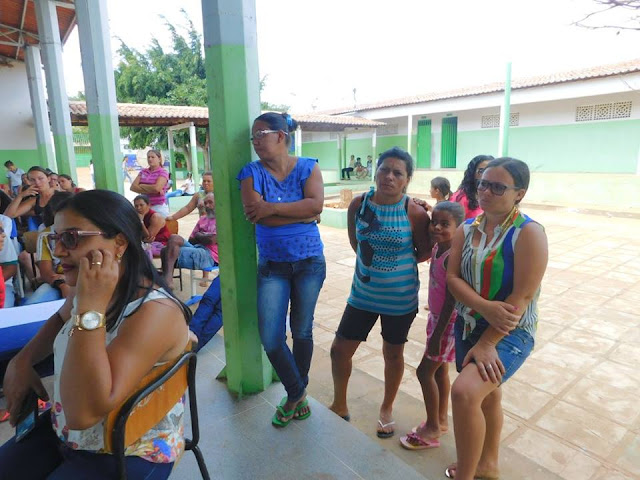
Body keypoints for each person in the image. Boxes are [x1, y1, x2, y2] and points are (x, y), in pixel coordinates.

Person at [0, 190, 192, 478]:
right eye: (54, 239)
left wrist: (91, 309)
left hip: (128, 446)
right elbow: (60, 317)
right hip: (66, 429)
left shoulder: (156, 312)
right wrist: (22, 361)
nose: (58, 251)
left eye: (71, 238)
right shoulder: (86, 288)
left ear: (119, 243)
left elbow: (84, 413)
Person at [444, 158, 547, 480]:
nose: (486, 192)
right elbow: (452, 278)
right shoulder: (467, 229)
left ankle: (466, 474)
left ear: (519, 193)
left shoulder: (528, 233)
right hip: (469, 324)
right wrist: (484, 307)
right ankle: (488, 464)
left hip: (510, 332)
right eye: (483, 184)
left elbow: (522, 297)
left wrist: (489, 343)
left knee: (464, 393)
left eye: (498, 187)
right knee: (487, 396)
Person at [329, 147, 430, 437]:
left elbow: (424, 251)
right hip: (362, 295)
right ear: (375, 172)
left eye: (398, 173)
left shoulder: (414, 212)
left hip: (400, 299)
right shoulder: (358, 205)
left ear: (407, 179)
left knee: (393, 354)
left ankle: (386, 409)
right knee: (339, 350)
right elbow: (356, 243)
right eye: (384, 169)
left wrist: (394, 267)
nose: (389, 176)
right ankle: (339, 404)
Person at [238, 111, 325, 427]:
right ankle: (298, 392)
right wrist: (300, 213)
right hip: (273, 267)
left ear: (281, 136)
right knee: (272, 338)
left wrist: (272, 207)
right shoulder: (250, 174)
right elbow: (257, 217)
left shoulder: (308, 167)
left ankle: (294, 396)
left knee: (302, 331)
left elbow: (316, 206)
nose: (256, 141)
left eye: (261, 134)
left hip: (309, 262)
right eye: (253, 136)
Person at [400, 201, 465, 450]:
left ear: (459, 228)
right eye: (434, 222)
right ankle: (441, 419)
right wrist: (424, 208)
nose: (436, 227)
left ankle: (432, 428)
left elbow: (451, 300)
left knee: (424, 372)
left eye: (444, 224)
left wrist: (438, 334)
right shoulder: (438, 247)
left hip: (447, 323)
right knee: (439, 371)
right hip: (436, 319)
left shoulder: (452, 257)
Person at [23, 191, 74, 305]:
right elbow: (46, 272)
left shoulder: (85, 233)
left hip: (84, 280)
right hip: (56, 282)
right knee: (32, 305)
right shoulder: (46, 235)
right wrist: (62, 284)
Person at [160, 193, 218, 287]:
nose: (207, 206)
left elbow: (211, 240)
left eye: (210, 202)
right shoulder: (203, 219)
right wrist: (203, 236)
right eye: (205, 203)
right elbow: (191, 240)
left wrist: (199, 235)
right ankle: (168, 280)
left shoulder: (222, 220)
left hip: (210, 255)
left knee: (166, 251)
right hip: (197, 248)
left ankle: (166, 281)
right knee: (174, 238)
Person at [450, 155, 493, 220]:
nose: (486, 175)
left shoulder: (495, 196)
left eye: (490, 171)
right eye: (481, 171)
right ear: (472, 173)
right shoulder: (461, 198)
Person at [131, 150, 170, 218]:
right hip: (143, 207)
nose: (150, 159)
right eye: (148, 157)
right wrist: (152, 189)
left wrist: (141, 186)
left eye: (152, 157)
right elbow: (133, 187)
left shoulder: (163, 172)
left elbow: (157, 188)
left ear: (159, 159)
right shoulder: (143, 172)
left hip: (158, 207)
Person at [189, 275, 223, 352]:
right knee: (220, 312)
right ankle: (193, 346)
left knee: (210, 302)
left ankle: (189, 339)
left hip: (228, 272)